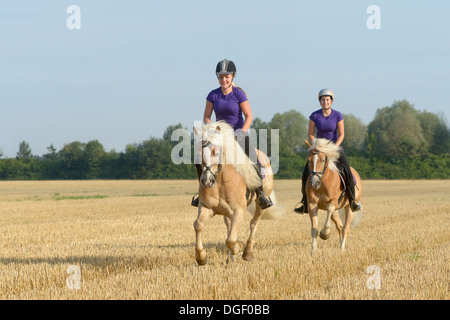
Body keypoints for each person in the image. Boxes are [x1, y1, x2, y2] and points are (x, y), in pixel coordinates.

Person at [191, 59, 273, 209]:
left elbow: (248, 116)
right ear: (218, 78)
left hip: (237, 134)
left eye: (227, 76)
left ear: (233, 77)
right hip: (218, 135)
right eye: (221, 77)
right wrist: (211, 129)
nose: (224, 79)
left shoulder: (239, 94)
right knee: (199, 157)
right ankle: (201, 192)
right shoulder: (212, 95)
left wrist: (242, 131)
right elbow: (207, 116)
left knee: (253, 158)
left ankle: (260, 193)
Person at [294, 88, 362, 214]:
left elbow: (341, 134)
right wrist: (317, 144)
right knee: (306, 173)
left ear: (331, 101)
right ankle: (304, 202)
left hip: (335, 148)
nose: (325, 102)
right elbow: (310, 134)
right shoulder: (314, 116)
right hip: (319, 149)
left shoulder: (338, 115)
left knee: (346, 170)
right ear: (319, 101)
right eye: (323, 100)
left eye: (327, 99)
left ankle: (352, 200)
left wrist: (334, 147)